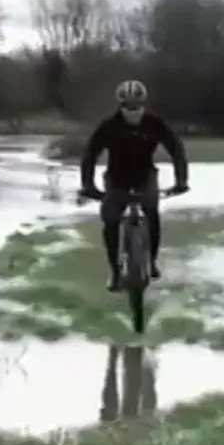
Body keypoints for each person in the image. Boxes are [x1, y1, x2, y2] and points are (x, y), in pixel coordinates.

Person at [79, 79, 189, 291]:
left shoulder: (154, 124)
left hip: (145, 176)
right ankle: (114, 271)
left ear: (143, 104)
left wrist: (181, 180)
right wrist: (88, 184)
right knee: (110, 220)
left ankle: (152, 262)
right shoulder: (109, 126)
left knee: (152, 213)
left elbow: (176, 149)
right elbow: (90, 154)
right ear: (120, 106)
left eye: (137, 106)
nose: (133, 111)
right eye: (128, 107)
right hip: (116, 179)